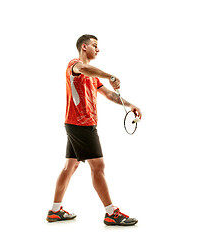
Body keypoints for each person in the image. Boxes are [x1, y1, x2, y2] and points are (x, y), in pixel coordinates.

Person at [46, 34, 142, 226]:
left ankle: (55, 211)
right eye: (94, 46)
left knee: (70, 166)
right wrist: (111, 75)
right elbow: (86, 69)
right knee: (98, 167)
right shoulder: (75, 65)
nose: (98, 49)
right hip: (81, 125)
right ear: (84, 47)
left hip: (77, 124)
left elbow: (108, 94)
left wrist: (130, 105)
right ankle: (111, 212)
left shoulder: (92, 78)